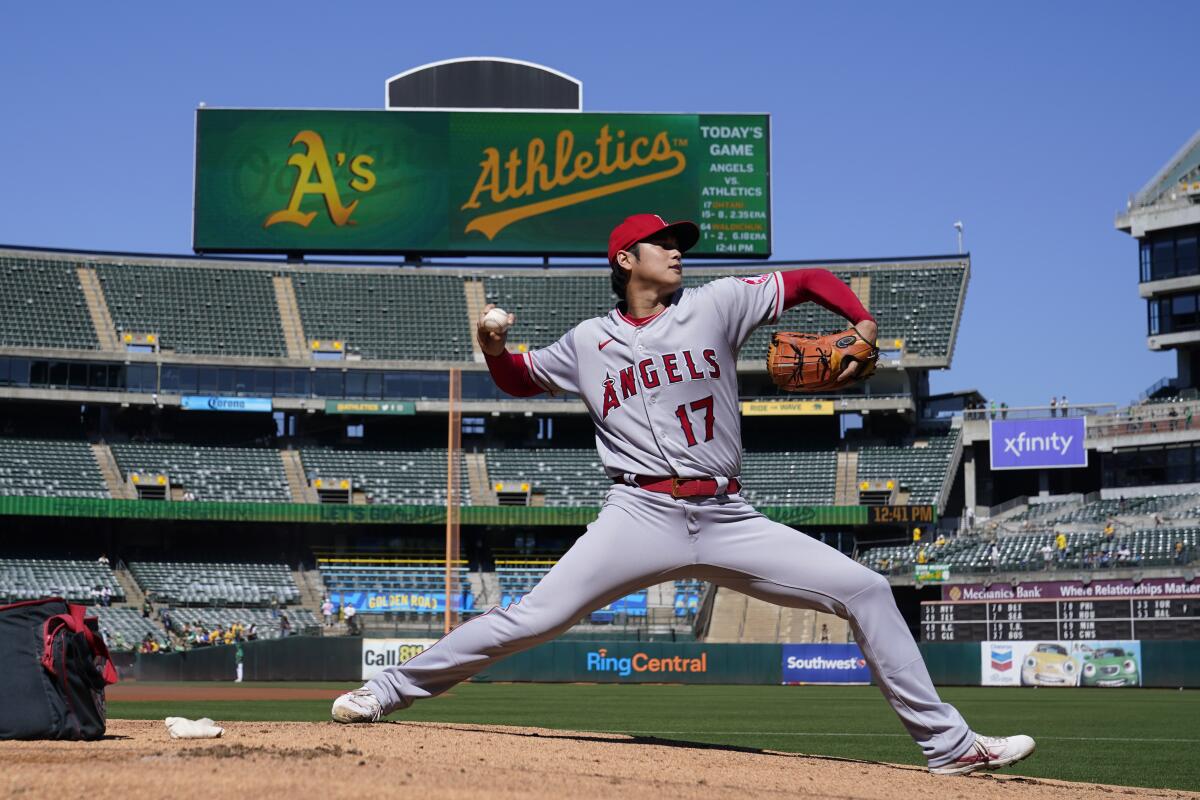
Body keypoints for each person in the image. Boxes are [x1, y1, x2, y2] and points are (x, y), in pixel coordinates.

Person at [331, 213, 1035, 776]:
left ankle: (949, 748)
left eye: (678, 243)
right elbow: (520, 379)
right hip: (638, 512)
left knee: (866, 590)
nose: (675, 251)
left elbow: (811, 278)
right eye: (660, 243)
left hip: (727, 514)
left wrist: (862, 322)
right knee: (531, 620)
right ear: (624, 261)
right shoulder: (587, 341)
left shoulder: (717, 305)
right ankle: (386, 691)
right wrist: (491, 347)